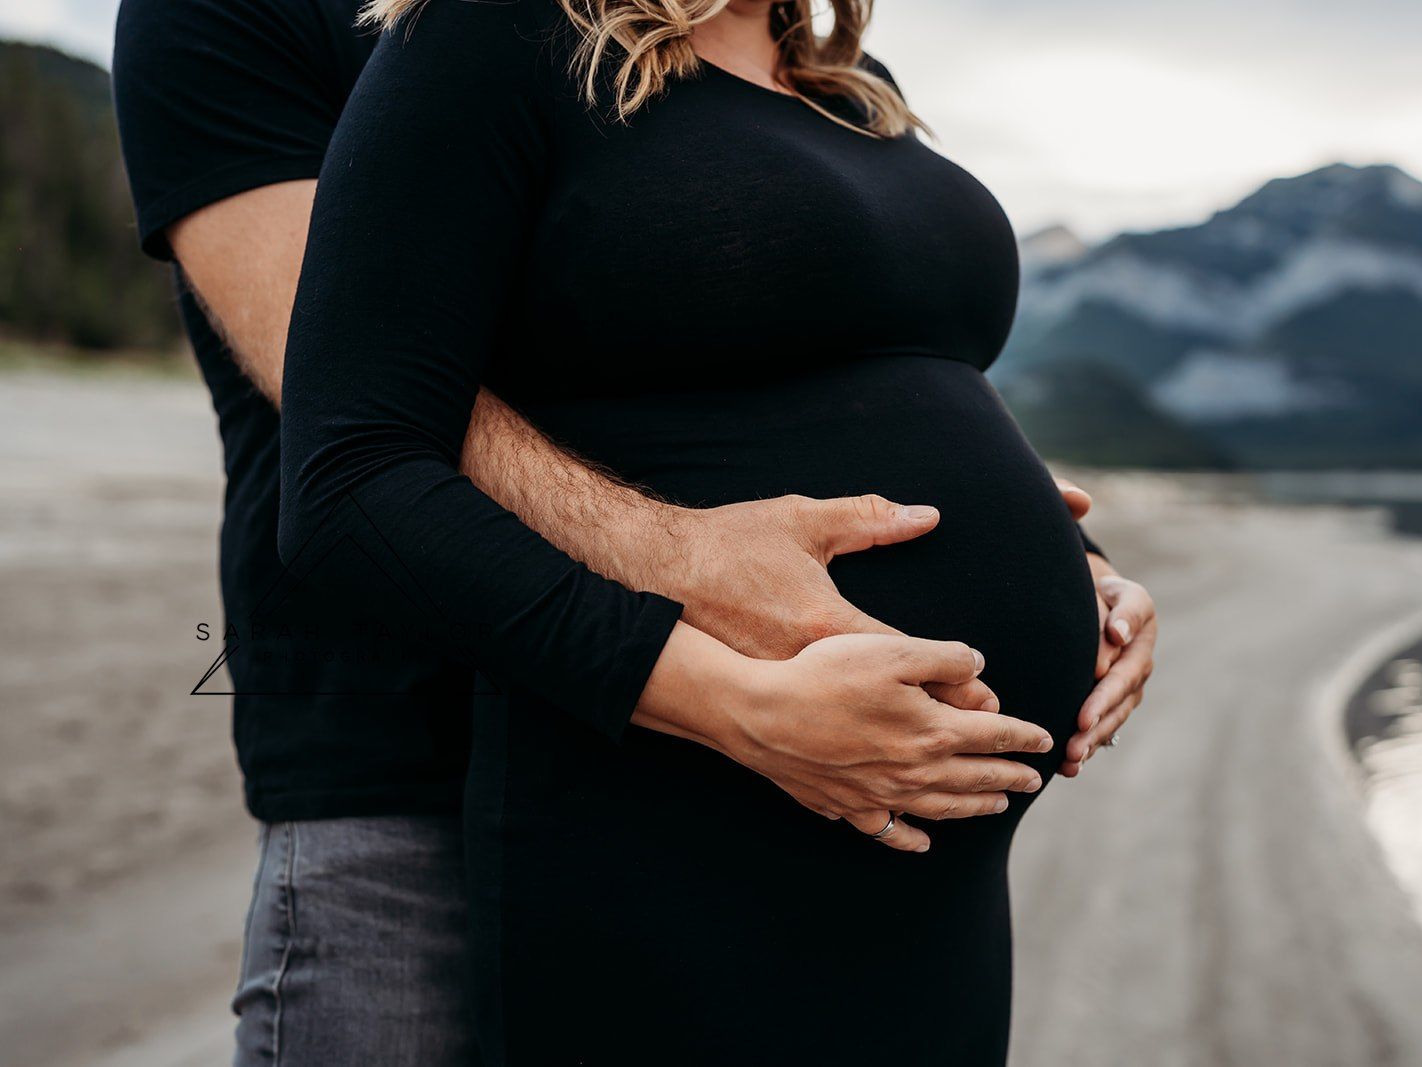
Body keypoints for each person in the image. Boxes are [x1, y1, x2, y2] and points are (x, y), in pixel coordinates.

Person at [113, 0, 1157, 1061]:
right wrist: (702, 611)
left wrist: (1072, 566)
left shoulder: (830, 73)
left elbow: (849, 359)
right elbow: (343, 385)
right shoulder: (452, 34)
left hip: (895, 848)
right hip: (436, 731)